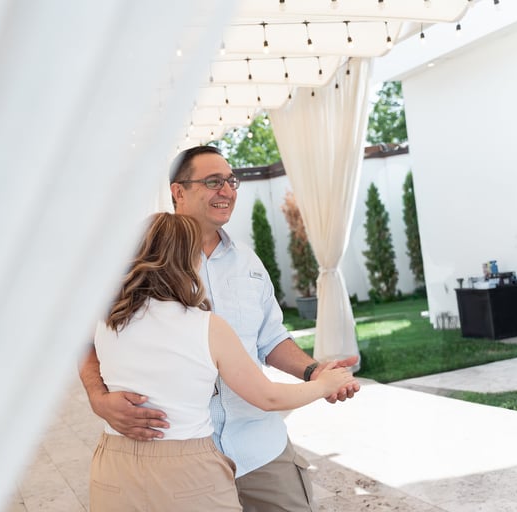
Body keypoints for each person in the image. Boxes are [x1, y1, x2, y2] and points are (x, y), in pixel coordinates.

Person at [80, 145, 361, 511]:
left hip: (259, 449)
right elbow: (84, 340)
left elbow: (271, 338)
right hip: (180, 460)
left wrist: (314, 372)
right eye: (213, 181)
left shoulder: (249, 262)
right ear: (179, 191)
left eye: (232, 181)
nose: (227, 190)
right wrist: (98, 398)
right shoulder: (135, 261)